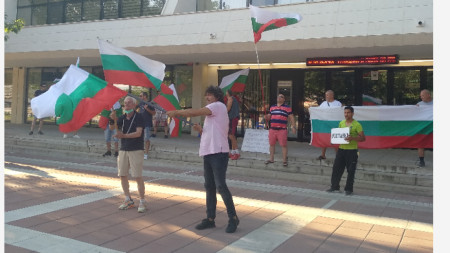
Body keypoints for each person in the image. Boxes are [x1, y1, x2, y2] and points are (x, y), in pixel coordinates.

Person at [166, 85, 239, 233]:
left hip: (218, 153)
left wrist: (176, 112)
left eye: (210, 95)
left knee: (220, 186)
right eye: (206, 95)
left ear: (217, 96)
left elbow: (195, 112)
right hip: (209, 152)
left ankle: (233, 218)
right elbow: (212, 132)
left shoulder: (218, 106)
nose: (207, 97)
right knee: (210, 186)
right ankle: (210, 219)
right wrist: (201, 130)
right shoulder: (213, 111)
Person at [110, 96, 147, 213]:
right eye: (125, 103)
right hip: (124, 149)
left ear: (135, 105)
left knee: (137, 176)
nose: (127, 105)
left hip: (136, 149)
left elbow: (138, 133)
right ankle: (128, 199)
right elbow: (112, 127)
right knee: (122, 174)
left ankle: (142, 201)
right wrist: (112, 119)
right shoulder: (122, 118)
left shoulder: (139, 117)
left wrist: (123, 136)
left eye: (130, 103)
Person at [326, 106, 366, 196]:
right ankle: (334, 187)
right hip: (341, 150)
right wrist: (334, 140)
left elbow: (363, 138)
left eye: (348, 113)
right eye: (345, 113)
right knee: (336, 168)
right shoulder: (341, 123)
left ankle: (349, 189)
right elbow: (339, 135)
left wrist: (352, 138)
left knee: (351, 170)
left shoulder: (357, 125)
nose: (346, 114)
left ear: (352, 114)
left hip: (352, 151)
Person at [264, 93, 296, 167]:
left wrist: (293, 126)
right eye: (278, 96)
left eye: (281, 97)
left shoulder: (287, 107)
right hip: (272, 129)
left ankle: (284, 160)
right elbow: (269, 116)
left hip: (282, 129)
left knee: (283, 145)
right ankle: (271, 159)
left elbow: (291, 117)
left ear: (284, 99)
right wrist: (266, 117)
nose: (279, 97)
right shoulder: (272, 107)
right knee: (271, 144)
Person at [317, 90, 342, 160]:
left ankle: (338, 156)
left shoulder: (338, 103)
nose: (326, 97)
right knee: (324, 139)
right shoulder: (323, 104)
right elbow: (318, 111)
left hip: (335, 124)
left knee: (336, 139)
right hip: (326, 124)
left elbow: (340, 113)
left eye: (327, 95)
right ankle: (323, 155)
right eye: (326, 95)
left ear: (332, 95)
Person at [416, 89, 433, 167]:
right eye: (420, 96)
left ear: (428, 95)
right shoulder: (419, 104)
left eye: (423, 95)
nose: (421, 97)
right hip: (423, 127)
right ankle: (421, 161)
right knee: (420, 144)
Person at [138, 92, 156, 160]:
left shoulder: (150, 103)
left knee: (146, 139)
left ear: (145, 96)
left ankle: (146, 153)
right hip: (140, 123)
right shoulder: (141, 103)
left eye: (140, 96)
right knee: (139, 138)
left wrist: (147, 109)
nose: (139, 97)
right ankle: (140, 152)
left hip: (147, 123)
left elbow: (154, 113)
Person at [226, 89, 240, 160]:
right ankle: (232, 152)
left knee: (231, 136)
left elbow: (227, 109)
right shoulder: (234, 99)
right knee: (231, 135)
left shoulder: (230, 99)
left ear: (228, 93)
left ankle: (236, 152)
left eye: (226, 92)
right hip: (233, 118)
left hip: (232, 118)